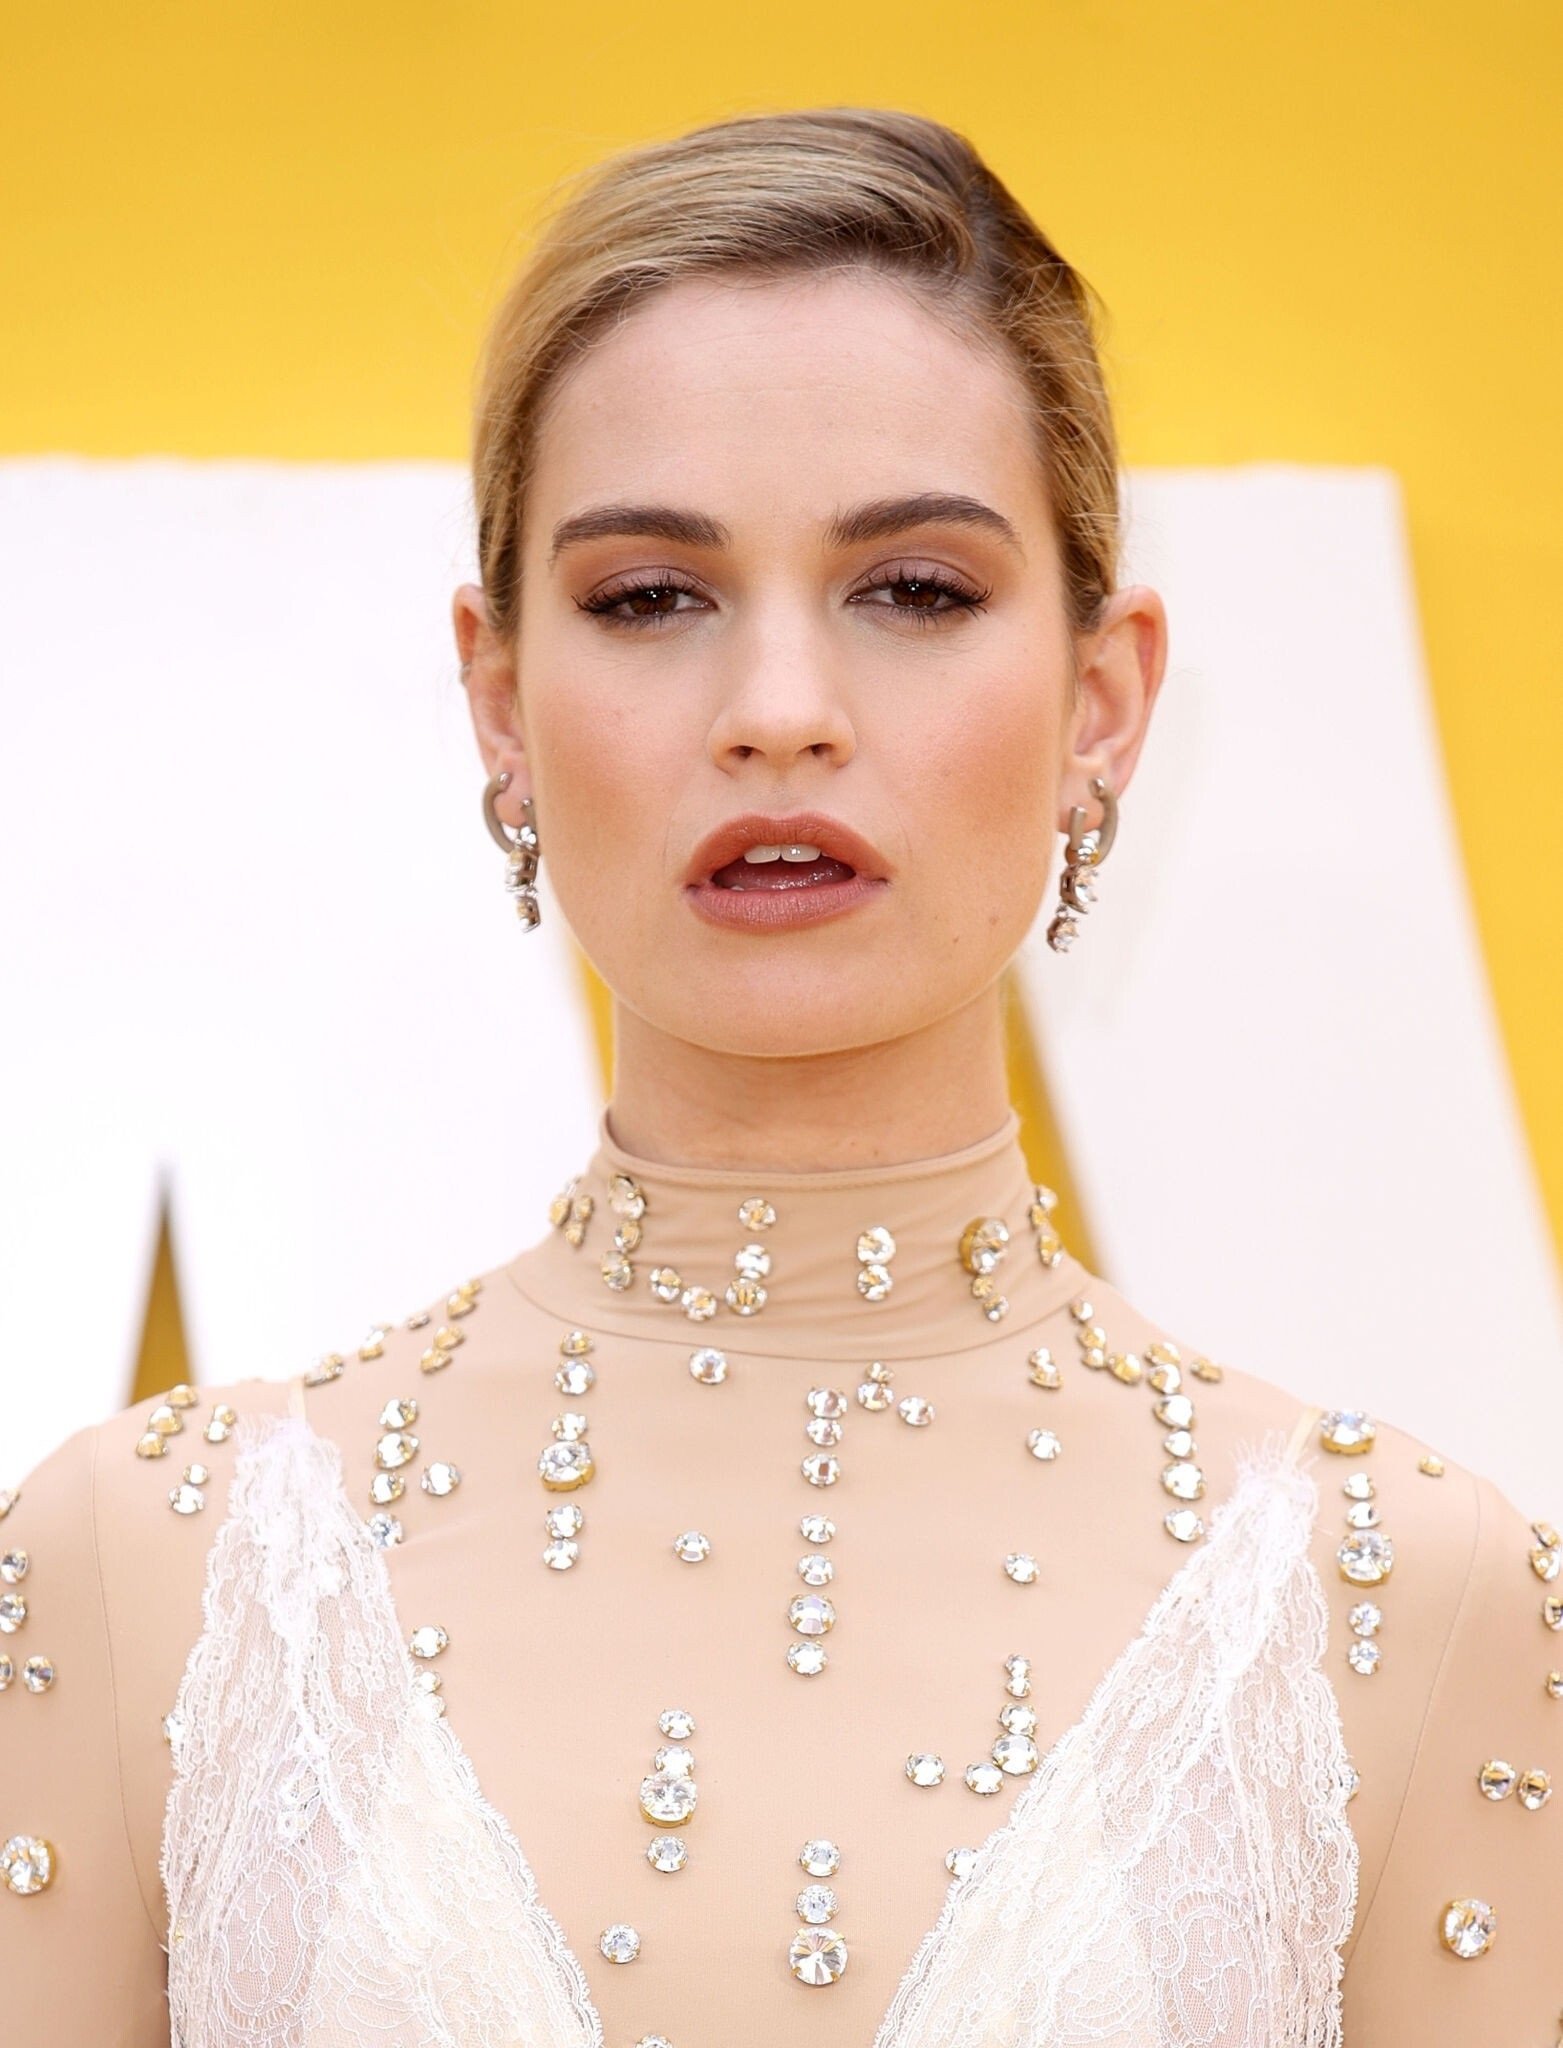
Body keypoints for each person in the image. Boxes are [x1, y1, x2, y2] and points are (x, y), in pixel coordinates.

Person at [2, 106, 1558, 2048]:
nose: (778, 716)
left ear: (1102, 698)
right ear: (497, 702)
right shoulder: (135, 1568)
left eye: (911, 589)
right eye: (649, 595)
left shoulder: (1407, 1607)